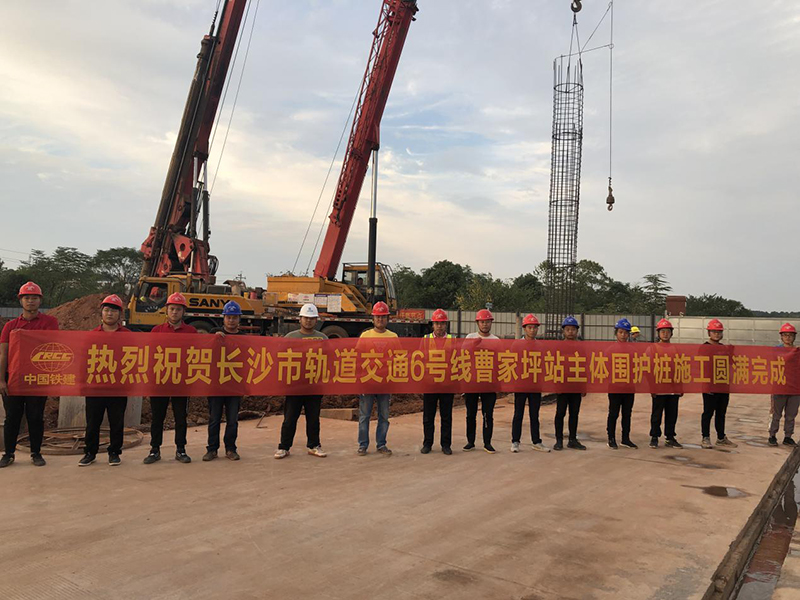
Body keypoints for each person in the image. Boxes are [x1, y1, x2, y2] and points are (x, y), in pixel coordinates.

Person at [0, 282, 59, 468]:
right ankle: (8, 453)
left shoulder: (50, 323)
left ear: (40, 300)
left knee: (35, 417)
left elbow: (55, 348)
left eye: (34, 298)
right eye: (27, 298)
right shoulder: (10, 326)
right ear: (21, 301)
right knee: (12, 418)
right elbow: (3, 354)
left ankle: (36, 453)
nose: (30, 301)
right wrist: (1, 380)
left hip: (37, 380)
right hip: (14, 380)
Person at [144, 292, 197, 465]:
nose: (175, 312)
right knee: (157, 418)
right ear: (166, 310)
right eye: (172, 308)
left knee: (180, 417)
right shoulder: (156, 331)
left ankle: (180, 449)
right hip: (159, 381)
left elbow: (197, 354)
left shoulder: (191, 332)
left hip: (181, 382)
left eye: (178, 309)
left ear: (183, 312)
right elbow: (149, 355)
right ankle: (154, 450)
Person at [79, 295, 131, 467]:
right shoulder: (92, 336)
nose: (110, 314)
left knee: (117, 422)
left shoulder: (128, 336)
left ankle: (114, 452)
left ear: (119, 314)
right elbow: (84, 361)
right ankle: (90, 452)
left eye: (114, 311)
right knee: (93, 422)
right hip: (95, 387)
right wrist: (82, 383)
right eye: (107, 310)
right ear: (101, 313)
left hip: (118, 387)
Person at [275, 303, 328, 459]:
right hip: (295, 386)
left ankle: (314, 445)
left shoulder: (322, 338)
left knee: (313, 418)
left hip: (314, 386)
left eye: (311, 318)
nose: (308, 321)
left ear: (316, 320)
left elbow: (330, 359)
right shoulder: (290, 338)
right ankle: (284, 447)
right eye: (306, 318)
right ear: (300, 319)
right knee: (290, 418)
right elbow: (279, 357)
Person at [203, 301, 245, 462]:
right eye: (228, 317)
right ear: (224, 318)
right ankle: (212, 449)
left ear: (239, 319)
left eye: (234, 318)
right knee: (214, 419)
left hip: (234, 384)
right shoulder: (214, 333)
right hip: (216, 384)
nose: (231, 321)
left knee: (232, 419)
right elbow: (204, 350)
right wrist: (213, 339)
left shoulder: (244, 338)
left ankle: (231, 448)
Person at [357, 301, 397, 456]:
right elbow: (358, 359)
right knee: (364, 416)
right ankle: (363, 445)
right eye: (378, 317)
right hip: (368, 382)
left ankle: (381, 444)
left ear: (387, 319)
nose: (380, 320)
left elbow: (398, 359)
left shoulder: (393, 337)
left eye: (383, 317)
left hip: (385, 383)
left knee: (384, 416)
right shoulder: (365, 336)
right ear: (373, 319)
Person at [511, 314, 549, 453]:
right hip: (521, 384)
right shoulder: (517, 345)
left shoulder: (540, 346)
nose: (532, 330)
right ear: (524, 329)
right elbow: (512, 363)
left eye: (534, 328)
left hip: (535, 384)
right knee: (518, 414)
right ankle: (515, 441)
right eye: (530, 327)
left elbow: (544, 365)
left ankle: (536, 441)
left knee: (534, 415)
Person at [464, 309, 499, 453]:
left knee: (487, 414)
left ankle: (487, 443)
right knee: (470, 414)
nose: (485, 324)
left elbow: (500, 361)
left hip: (489, 383)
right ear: (477, 323)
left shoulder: (496, 341)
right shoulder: (470, 337)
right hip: (472, 382)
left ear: (491, 323)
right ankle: (470, 441)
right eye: (482, 322)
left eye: (487, 322)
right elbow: (462, 356)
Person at [420, 309, 454, 455]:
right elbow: (420, 360)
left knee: (446, 416)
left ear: (446, 325)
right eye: (437, 323)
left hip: (447, 384)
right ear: (432, 325)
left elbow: (457, 360)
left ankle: (446, 444)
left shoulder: (453, 340)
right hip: (430, 384)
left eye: (442, 323)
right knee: (428, 416)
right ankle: (427, 443)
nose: (439, 326)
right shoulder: (425, 339)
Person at [701, 319, 737, 449]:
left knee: (721, 413)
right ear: (709, 333)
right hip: (710, 386)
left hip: (723, 385)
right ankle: (705, 437)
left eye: (719, 332)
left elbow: (730, 364)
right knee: (708, 412)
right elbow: (701, 366)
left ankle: (721, 437)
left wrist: (731, 353)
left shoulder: (723, 348)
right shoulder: (704, 348)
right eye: (714, 332)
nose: (717, 334)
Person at [554, 316, 586, 451]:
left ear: (577, 331)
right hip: (563, 385)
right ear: (563, 331)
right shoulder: (558, 347)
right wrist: (556, 384)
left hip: (576, 384)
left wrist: (584, 386)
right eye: (568, 329)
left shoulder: (581, 347)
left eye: (573, 329)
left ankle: (572, 439)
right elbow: (554, 365)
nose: (570, 332)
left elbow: (585, 366)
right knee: (560, 413)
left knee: (574, 413)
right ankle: (559, 440)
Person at [650, 318, 683, 449]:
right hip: (659, 387)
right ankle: (654, 437)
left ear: (671, 333)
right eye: (662, 331)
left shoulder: (675, 349)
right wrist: (651, 387)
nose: (665, 334)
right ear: (658, 333)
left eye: (667, 331)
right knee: (656, 414)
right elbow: (648, 369)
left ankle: (670, 437)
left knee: (672, 413)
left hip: (673, 387)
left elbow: (680, 368)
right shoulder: (653, 348)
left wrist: (680, 386)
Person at [607, 318, 637, 449]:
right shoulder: (610, 349)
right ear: (616, 333)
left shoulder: (632, 350)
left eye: (626, 333)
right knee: (613, 413)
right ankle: (611, 438)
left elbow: (637, 367)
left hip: (629, 387)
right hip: (615, 386)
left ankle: (625, 438)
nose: (623, 335)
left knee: (627, 413)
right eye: (620, 332)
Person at [769, 323, 800, 447]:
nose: (788, 337)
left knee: (791, 415)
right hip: (779, 386)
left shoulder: (798, 352)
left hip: (795, 388)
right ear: (781, 337)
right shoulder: (776, 351)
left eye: (790, 335)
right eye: (785, 335)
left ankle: (788, 436)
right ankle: (772, 435)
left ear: (794, 337)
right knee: (776, 414)